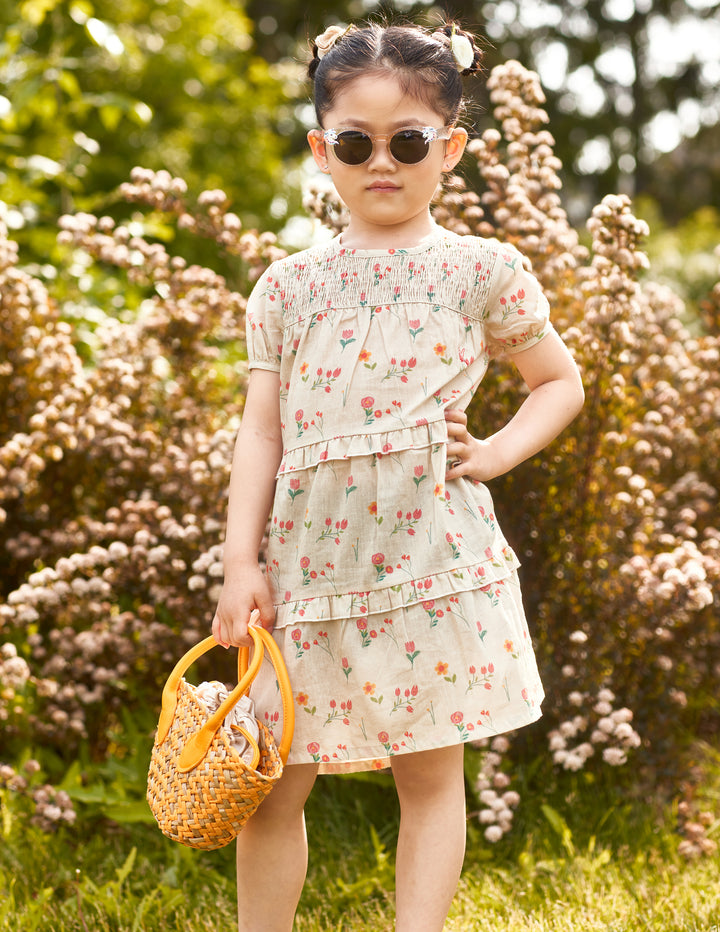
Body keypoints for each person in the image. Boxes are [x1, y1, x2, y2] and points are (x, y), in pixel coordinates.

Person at [212, 19, 584, 932]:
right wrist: (238, 562)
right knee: (270, 781)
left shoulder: (482, 271)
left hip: (430, 556)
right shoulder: (287, 286)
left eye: (408, 141)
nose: (383, 161)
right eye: (356, 142)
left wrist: (493, 453)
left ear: (449, 148)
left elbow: (558, 382)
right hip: (311, 568)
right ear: (321, 148)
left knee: (428, 775)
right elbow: (259, 433)